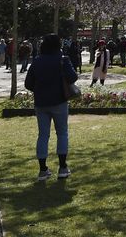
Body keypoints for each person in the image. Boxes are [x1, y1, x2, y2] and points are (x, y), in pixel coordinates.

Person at [24, 33, 78, 181]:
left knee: (43, 135)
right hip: (59, 101)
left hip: (41, 103)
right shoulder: (62, 60)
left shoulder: (37, 61)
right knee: (62, 133)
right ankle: (62, 167)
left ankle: (43, 169)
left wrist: (40, 89)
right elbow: (73, 77)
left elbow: (28, 84)